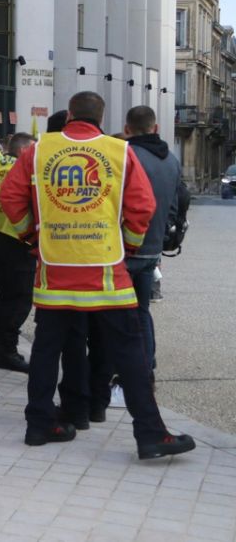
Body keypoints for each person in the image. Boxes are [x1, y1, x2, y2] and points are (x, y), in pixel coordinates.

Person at [0, 91, 194, 459]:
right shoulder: (119, 151)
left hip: (55, 272)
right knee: (129, 351)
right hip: (106, 273)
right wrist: (129, 246)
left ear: (69, 115)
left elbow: (9, 198)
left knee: (46, 350)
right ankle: (150, 433)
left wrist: (31, 236)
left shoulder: (39, 150)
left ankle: (39, 424)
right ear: (102, 119)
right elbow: (143, 207)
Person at [100, 106, 181, 403]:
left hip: (122, 247)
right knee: (141, 312)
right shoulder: (171, 160)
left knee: (110, 315)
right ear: (155, 127)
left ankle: (113, 375)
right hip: (152, 247)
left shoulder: (123, 155)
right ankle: (145, 373)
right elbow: (174, 205)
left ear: (127, 128)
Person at [0, 132, 36, 373]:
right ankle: (7, 350)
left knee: (4, 295)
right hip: (17, 237)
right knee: (19, 298)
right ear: (24, 150)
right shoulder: (21, 169)